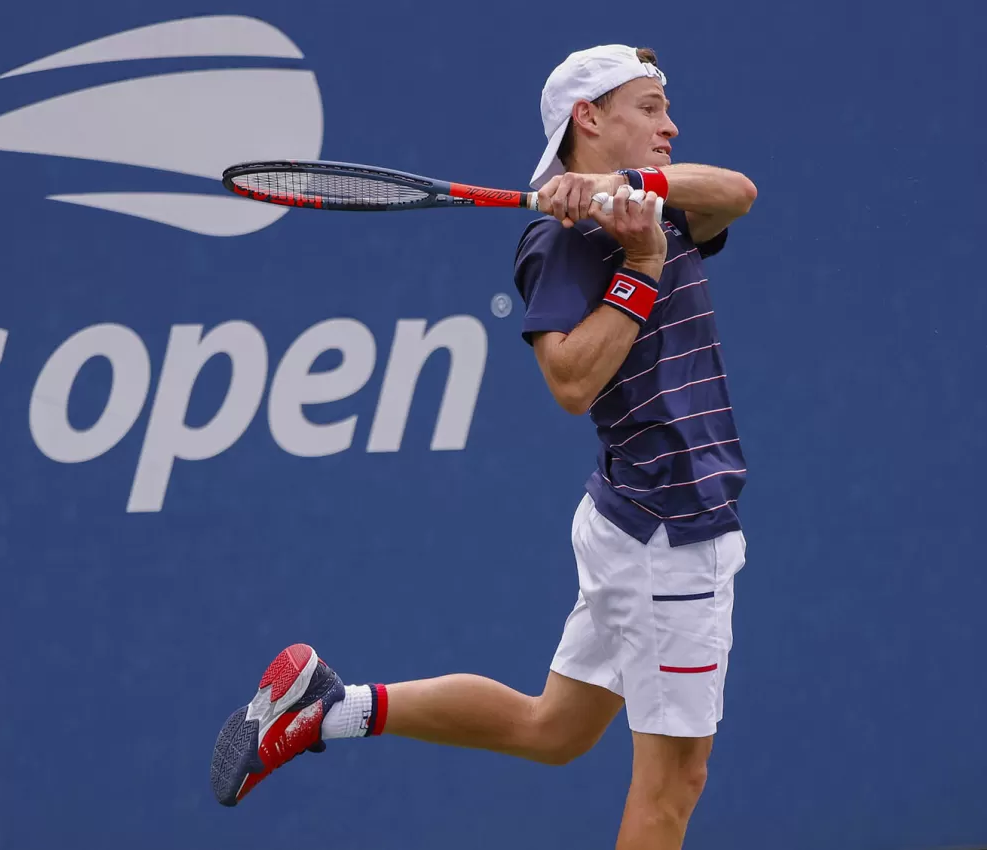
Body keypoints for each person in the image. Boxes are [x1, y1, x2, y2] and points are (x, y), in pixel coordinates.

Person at [209, 44, 758, 850]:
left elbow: (738, 194)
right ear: (589, 117)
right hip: (668, 536)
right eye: (650, 108)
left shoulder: (657, 201)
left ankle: (329, 707)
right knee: (673, 789)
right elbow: (570, 384)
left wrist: (628, 190)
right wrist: (640, 263)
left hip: (632, 517)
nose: (670, 125)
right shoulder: (563, 242)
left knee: (556, 729)